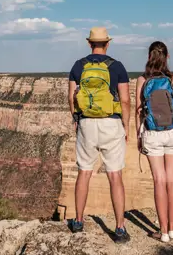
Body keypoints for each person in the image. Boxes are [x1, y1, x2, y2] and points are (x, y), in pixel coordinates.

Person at [68, 27, 131, 244]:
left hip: (86, 123)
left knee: (84, 172)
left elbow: (71, 98)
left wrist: (76, 119)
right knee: (115, 176)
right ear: (107, 43)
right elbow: (125, 100)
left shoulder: (78, 65)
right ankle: (120, 229)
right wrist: (126, 126)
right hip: (111, 123)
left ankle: (77, 221)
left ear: (89, 43)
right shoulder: (117, 66)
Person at [135, 41, 173, 243]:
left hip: (152, 133)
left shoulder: (142, 80)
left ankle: (163, 231)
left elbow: (138, 112)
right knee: (172, 181)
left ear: (149, 57)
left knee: (159, 181)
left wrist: (139, 136)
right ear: (168, 57)